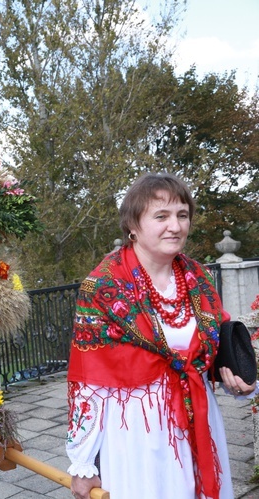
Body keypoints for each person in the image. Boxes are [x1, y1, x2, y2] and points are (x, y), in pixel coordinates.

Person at [66, 172, 257, 499]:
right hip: (137, 436)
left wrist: (237, 380)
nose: (176, 225)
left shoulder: (197, 278)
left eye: (182, 215)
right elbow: (88, 383)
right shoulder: (102, 288)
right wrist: (84, 464)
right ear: (133, 226)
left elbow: (213, 350)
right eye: (161, 216)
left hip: (200, 421)